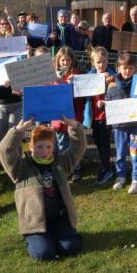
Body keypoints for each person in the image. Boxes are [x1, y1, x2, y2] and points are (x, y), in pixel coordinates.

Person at [0, 116, 85, 260]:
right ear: (31, 146)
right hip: (35, 222)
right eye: (39, 147)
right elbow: (4, 151)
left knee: (71, 247)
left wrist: (74, 126)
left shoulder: (61, 163)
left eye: (48, 146)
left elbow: (78, 148)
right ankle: (33, 238)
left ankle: (59, 234)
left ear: (53, 146)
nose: (44, 151)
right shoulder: (20, 168)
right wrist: (18, 131)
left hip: (59, 218)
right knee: (44, 254)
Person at [104, 52, 137, 194]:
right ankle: (120, 176)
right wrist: (103, 104)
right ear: (119, 68)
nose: (127, 71)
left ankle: (136, 179)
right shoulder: (112, 84)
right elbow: (108, 101)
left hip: (134, 125)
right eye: (124, 68)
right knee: (120, 153)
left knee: (136, 152)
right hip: (119, 127)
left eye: (130, 68)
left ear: (135, 69)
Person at [51, 46, 85, 182]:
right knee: (61, 144)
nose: (65, 63)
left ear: (72, 61)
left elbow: (82, 95)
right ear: (58, 61)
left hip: (73, 115)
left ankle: (76, 169)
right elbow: (49, 94)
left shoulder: (78, 74)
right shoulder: (53, 75)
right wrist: (57, 82)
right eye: (63, 60)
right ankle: (64, 170)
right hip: (58, 117)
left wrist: (75, 84)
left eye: (68, 60)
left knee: (75, 142)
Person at [86, 47, 115, 185]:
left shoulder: (111, 76)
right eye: (98, 62)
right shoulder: (89, 77)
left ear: (107, 61)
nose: (101, 65)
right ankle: (105, 164)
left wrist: (110, 81)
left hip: (106, 116)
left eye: (104, 62)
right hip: (94, 116)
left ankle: (106, 168)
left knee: (104, 143)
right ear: (93, 63)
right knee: (97, 141)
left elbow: (116, 93)